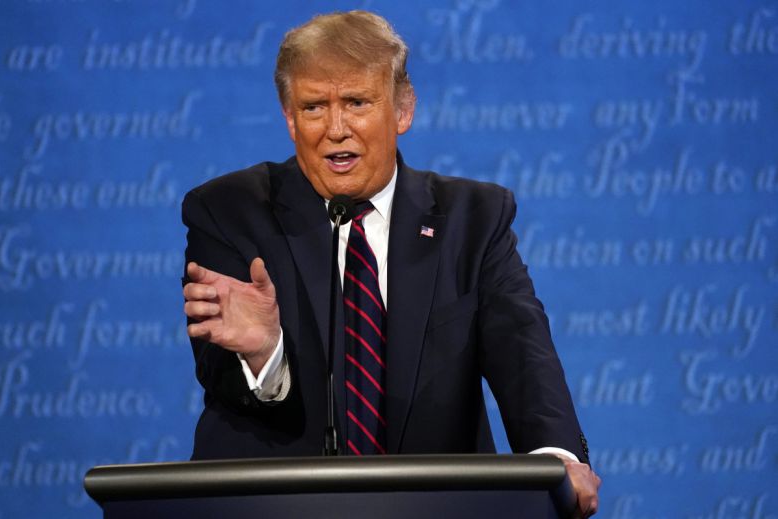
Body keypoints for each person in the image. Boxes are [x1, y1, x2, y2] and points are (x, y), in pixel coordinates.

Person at [182, 10, 600, 516]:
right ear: (289, 119)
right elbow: (220, 374)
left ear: (403, 110)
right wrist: (266, 354)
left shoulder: (471, 219)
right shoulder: (230, 211)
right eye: (314, 107)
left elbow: (522, 350)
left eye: (357, 102)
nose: (335, 129)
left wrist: (555, 461)